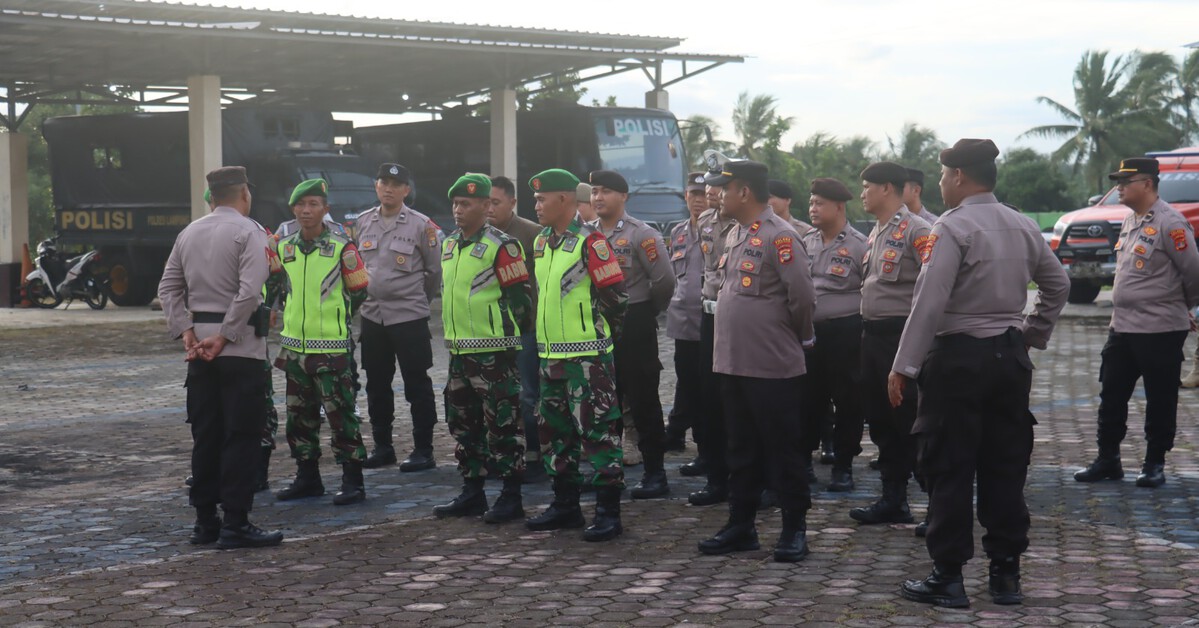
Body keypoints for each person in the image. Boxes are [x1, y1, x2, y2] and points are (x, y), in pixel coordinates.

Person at [890, 139, 1068, 608]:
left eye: (944, 176)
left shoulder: (952, 227)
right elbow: (1058, 283)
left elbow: (928, 303)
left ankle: (948, 576)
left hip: (958, 361)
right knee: (1004, 465)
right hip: (1009, 360)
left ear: (960, 177)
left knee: (949, 465)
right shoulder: (1021, 223)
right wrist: (1031, 332)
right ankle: (1005, 574)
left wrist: (904, 366)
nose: (943, 183)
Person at [158, 166, 283, 549]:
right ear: (244, 194)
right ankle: (236, 523)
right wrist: (227, 334)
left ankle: (204, 522)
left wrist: (188, 332)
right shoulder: (252, 232)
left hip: (200, 349)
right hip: (241, 348)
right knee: (242, 436)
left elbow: (168, 288)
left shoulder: (189, 232)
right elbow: (249, 292)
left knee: (206, 435)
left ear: (211, 196)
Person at [697, 159, 816, 563]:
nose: (717, 196)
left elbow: (802, 298)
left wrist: (795, 338)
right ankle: (741, 525)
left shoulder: (780, 237)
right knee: (740, 448)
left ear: (743, 192)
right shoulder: (735, 233)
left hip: (771, 364)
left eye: (723, 189)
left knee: (782, 449)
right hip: (733, 360)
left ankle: (794, 529)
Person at [1074, 157, 1199, 488]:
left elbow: (1193, 275)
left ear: (1147, 184)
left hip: (1160, 328)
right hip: (1123, 326)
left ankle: (1154, 462)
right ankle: (1108, 459)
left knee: (1160, 398)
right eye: (1117, 182)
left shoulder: (1171, 223)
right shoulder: (1131, 221)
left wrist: (1180, 307)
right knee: (1111, 393)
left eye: (1124, 183)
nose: (1119, 188)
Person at [523, 168, 628, 542]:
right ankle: (565, 506)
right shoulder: (540, 243)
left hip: (587, 359)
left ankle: (607, 512)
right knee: (554, 434)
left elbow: (616, 297)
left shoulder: (591, 242)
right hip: (550, 357)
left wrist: (598, 336)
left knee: (598, 434)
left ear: (563, 200)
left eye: (541, 199)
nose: (535, 205)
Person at [434, 174, 534, 522]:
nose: (459, 211)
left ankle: (510, 495)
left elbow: (522, 299)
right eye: (456, 204)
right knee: (464, 425)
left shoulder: (503, 246)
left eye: (466, 204)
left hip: (494, 353)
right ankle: (472, 492)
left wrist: (504, 333)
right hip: (459, 352)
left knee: (503, 426)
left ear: (485, 206)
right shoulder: (449, 245)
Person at [266, 179, 371, 505]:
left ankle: (353, 480)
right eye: (301, 205)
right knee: (300, 416)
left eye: (313, 204)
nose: (306, 211)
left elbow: (359, 291)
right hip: (295, 348)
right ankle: (307, 477)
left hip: (332, 349)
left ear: (325, 210)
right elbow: (276, 287)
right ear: (293, 209)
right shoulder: (285, 248)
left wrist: (336, 317)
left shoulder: (342, 247)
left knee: (341, 415)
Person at [848, 162, 932, 527]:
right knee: (881, 419)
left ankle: (936, 504)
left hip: (902, 337)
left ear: (886, 188)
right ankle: (893, 499)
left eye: (867, 186)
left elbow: (935, 285)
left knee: (911, 421)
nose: (862, 193)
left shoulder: (918, 230)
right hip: (873, 337)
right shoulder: (877, 232)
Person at [590, 169, 675, 498]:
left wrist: (647, 310)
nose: (598, 197)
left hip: (635, 321)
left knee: (643, 403)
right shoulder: (586, 235)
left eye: (606, 191)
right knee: (603, 401)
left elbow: (665, 281)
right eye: (595, 191)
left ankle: (655, 473)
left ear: (623, 197)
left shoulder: (643, 234)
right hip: (597, 325)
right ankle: (608, 470)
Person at [356, 163, 443, 472]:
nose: (389, 188)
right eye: (384, 182)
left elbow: (433, 273)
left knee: (416, 383)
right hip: (373, 316)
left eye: (396, 183)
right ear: (376, 186)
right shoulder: (363, 222)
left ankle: (423, 448)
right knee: (376, 384)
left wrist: (416, 300)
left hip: (408, 316)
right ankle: (382, 446)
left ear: (407, 189)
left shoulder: (422, 225)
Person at [801, 178, 868, 491]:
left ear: (839, 207)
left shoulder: (859, 245)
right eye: (812, 203)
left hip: (845, 332)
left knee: (848, 400)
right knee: (807, 399)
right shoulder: (805, 241)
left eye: (819, 203)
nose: (813, 209)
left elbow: (870, 290)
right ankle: (804, 461)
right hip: (810, 333)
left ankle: (843, 465)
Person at [489, 175, 547, 484]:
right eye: (486, 202)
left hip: (524, 327)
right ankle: (500, 454)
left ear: (512, 202)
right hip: (489, 330)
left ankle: (535, 456)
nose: (489, 208)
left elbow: (540, 286)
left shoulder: (531, 234)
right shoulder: (475, 236)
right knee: (495, 395)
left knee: (527, 395)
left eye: (495, 202)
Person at [688, 155, 738, 505]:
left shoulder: (748, 224)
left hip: (739, 319)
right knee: (709, 397)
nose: (710, 192)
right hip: (710, 317)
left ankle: (750, 478)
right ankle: (717, 478)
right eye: (708, 186)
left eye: (718, 186)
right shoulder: (704, 221)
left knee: (738, 399)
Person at [663, 172, 708, 459]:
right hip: (682, 319)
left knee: (709, 382)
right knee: (686, 377)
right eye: (693, 194)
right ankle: (678, 431)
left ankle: (705, 441)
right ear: (686, 196)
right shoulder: (678, 232)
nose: (698, 201)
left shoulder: (724, 231)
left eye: (703, 195)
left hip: (711, 320)